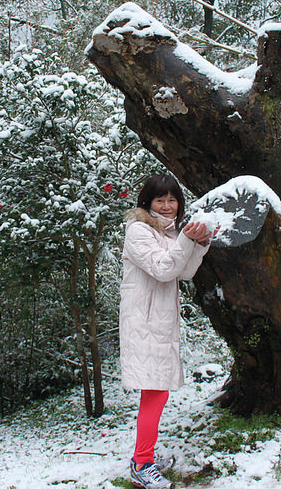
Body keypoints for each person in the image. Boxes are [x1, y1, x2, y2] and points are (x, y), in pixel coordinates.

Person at [120, 174, 217, 489]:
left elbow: (184, 271)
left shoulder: (169, 232)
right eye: (159, 200)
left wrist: (199, 243)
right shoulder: (139, 231)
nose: (166, 206)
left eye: (172, 200)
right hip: (144, 324)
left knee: (156, 391)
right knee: (155, 391)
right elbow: (163, 269)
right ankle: (141, 463)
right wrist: (188, 240)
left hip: (160, 323)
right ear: (147, 203)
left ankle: (144, 457)